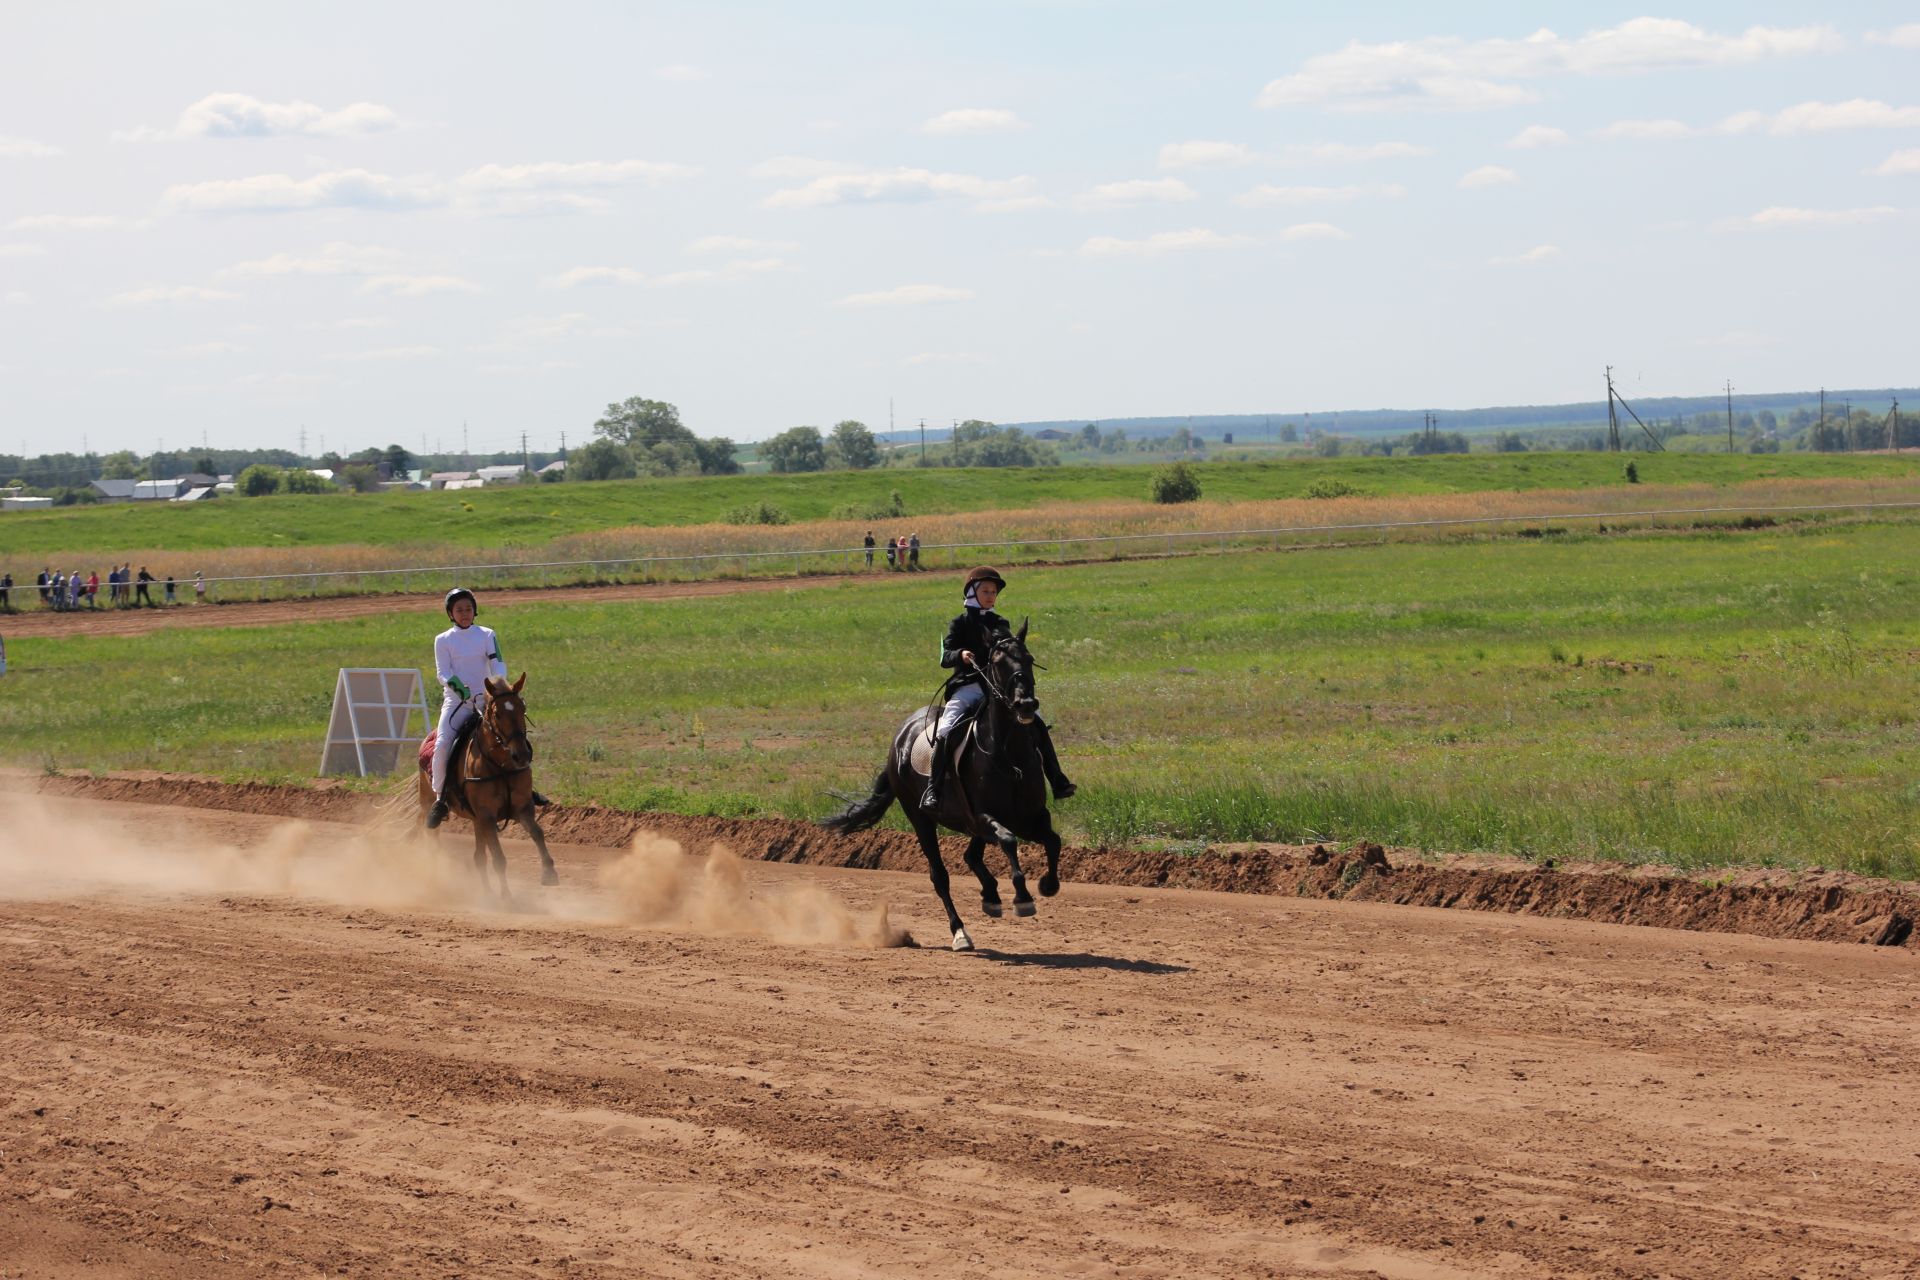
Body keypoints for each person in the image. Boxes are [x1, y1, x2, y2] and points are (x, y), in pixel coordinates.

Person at [920, 566, 1076, 810]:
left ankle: (1057, 780)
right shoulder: (959, 623)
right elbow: (944, 656)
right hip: (968, 686)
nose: (991, 595)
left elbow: (1008, 649)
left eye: (994, 592)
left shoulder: (999, 622)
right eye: (986, 590)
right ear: (972, 592)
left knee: (1037, 723)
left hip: (998, 689)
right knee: (946, 730)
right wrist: (960, 654)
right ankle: (933, 789)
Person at [425, 588, 548, 828]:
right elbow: (443, 673)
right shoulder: (443, 640)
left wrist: (498, 686)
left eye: (468, 609)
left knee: (515, 737)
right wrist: (461, 690)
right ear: (450, 613)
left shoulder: (487, 634)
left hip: (487, 699)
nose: (464, 613)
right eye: (459, 610)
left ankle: (526, 790)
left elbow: (497, 663)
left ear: (475, 611)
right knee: (441, 745)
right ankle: (440, 799)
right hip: (456, 703)